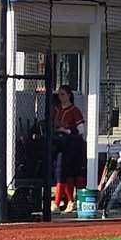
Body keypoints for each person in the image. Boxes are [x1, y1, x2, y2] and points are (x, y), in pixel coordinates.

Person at [51, 86, 86, 214]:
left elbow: (81, 128)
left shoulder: (74, 110)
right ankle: (71, 202)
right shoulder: (56, 109)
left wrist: (67, 130)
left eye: (63, 94)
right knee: (62, 173)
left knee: (65, 172)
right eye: (59, 95)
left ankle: (56, 203)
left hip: (71, 143)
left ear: (69, 95)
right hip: (58, 143)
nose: (61, 97)